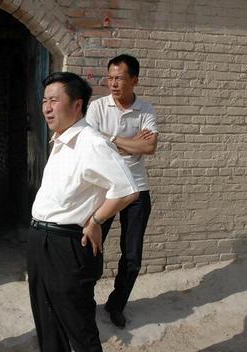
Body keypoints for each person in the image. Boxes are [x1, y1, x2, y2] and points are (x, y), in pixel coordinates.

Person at [17, 72, 138, 352]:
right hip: (41, 240)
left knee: (80, 329)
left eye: (54, 99)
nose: (47, 107)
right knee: (46, 317)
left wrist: (96, 220)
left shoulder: (90, 141)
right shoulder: (61, 140)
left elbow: (126, 189)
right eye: (44, 100)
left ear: (77, 105)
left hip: (69, 245)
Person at [86, 54, 158, 329]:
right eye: (110, 78)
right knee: (92, 249)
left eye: (119, 78)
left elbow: (150, 147)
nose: (113, 83)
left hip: (137, 190)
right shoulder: (97, 107)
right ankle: (86, 301)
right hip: (104, 189)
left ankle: (116, 305)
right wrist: (127, 142)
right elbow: (93, 146)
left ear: (134, 80)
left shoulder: (146, 110)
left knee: (132, 257)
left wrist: (111, 140)